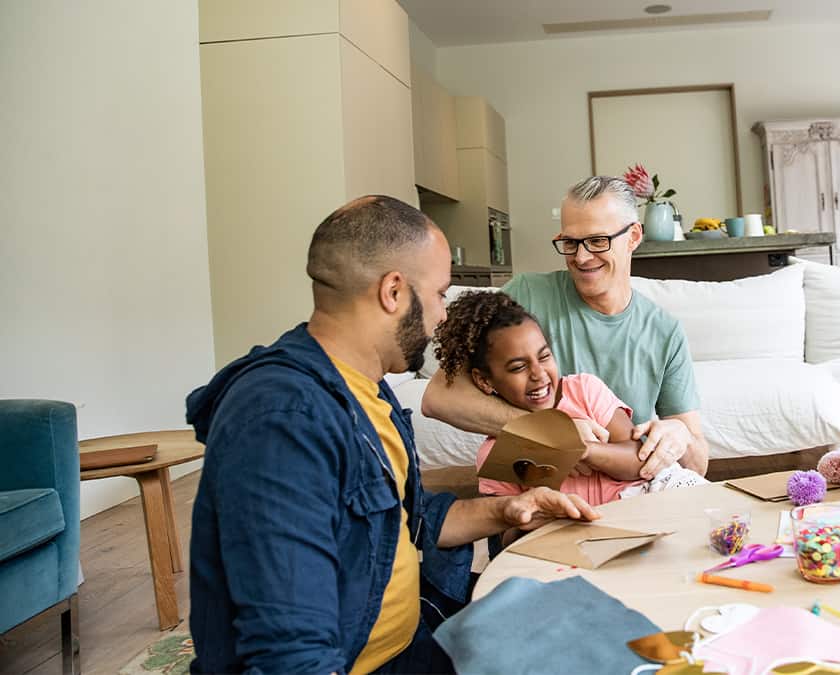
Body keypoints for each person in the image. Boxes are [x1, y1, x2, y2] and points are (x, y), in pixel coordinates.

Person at [186, 196, 600, 674]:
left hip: (418, 634)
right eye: (441, 294)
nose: (443, 316)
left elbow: (409, 521)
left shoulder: (369, 389)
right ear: (394, 292)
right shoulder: (283, 421)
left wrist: (508, 508)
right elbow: (289, 654)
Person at [423, 176, 710, 479]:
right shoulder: (526, 296)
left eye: (598, 241)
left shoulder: (664, 332)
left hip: (625, 496)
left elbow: (697, 467)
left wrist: (680, 434)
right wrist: (551, 432)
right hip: (540, 493)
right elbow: (439, 397)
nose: (581, 257)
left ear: (634, 236)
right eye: (570, 243)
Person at [433, 289, 706, 508]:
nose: (539, 374)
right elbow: (506, 531)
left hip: (646, 499)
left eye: (545, 356)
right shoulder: (496, 453)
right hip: (576, 532)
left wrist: (580, 448)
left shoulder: (584, 390)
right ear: (484, 380)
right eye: (518, 367)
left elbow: (640, 463)